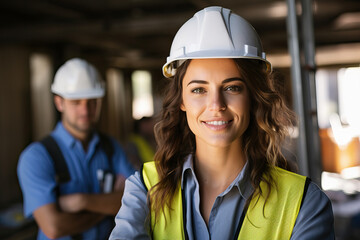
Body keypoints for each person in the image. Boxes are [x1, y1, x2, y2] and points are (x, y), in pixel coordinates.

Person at [109, 6, 334, 240]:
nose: (216, 105)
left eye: (232, 87)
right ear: (182, 101)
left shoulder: (304, 203)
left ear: (253, 98)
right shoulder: (144, 189)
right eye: (198, 90)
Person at [17, 58, 135, 240]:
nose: (85, 110)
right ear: (59, 103)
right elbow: (53, 227)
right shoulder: (36, 157)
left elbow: (138, 199)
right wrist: (110, 205)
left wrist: (82, 201)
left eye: (92, 101)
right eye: (76, 102)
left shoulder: (111, 148)